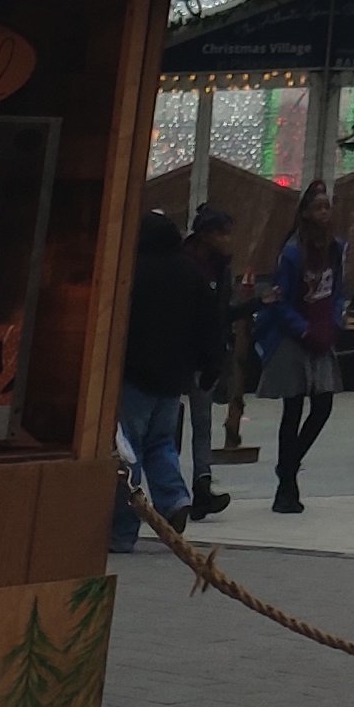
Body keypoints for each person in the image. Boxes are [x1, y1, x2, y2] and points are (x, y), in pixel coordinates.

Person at [114, 209, 226, 553]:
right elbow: (211, 321)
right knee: (161, 443)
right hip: (173, 377)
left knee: (127, 451)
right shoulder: (190, 272)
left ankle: (122, 530)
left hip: (135, 374)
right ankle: (174, 499)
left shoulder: (132, 272)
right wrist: (211, 363)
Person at [257, 180, 349, 513]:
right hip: (293, 337)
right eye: (318, 207)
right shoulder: (293, 252)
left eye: (328, 207)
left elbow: (338, 291)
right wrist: (303, 329)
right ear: (306, 213)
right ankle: (286, 487)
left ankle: (288, 466)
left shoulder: (336, 248)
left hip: (322, 332)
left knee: (323, 405)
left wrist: (334, 322)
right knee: (293, 409)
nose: (324, 213)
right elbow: (280, 300)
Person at [181, 206, 237, 519]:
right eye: (222, 233)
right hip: (180, 355)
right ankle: (170, 492)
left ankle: (201, 485)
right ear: (205, 235)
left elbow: (221, 314)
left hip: (207, 357)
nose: (228, 240)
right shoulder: (185, 264)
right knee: (167, 425)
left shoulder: (221, 268)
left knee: (202, 423)